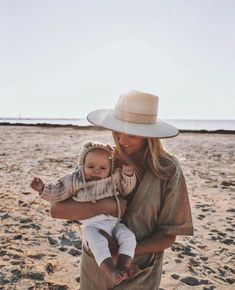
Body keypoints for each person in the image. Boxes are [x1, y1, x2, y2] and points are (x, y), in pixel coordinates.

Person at [50, 90, 194, 290]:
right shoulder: (102, 160)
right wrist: (104, 206)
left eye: (132, 134)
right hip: (96, 268)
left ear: (150, 135)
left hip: (143, 273)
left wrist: (125, 252)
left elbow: (169, 235)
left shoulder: (168, 170)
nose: (122, 140)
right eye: (118, 131)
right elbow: (57, 210)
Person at [30, 141, 137, 285]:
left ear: (110, 168)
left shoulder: (113, 178)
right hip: (92, 226)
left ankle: (123, 267)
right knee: (97, 243)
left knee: (129, 237)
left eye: (102, 167)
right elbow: (58, 191)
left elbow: (126, 189)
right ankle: (112, 271)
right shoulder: (76, 180)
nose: (96, 171)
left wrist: (128, 175)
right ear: (82, 165)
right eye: (91, 167)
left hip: (114, 223)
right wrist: (42, 188)